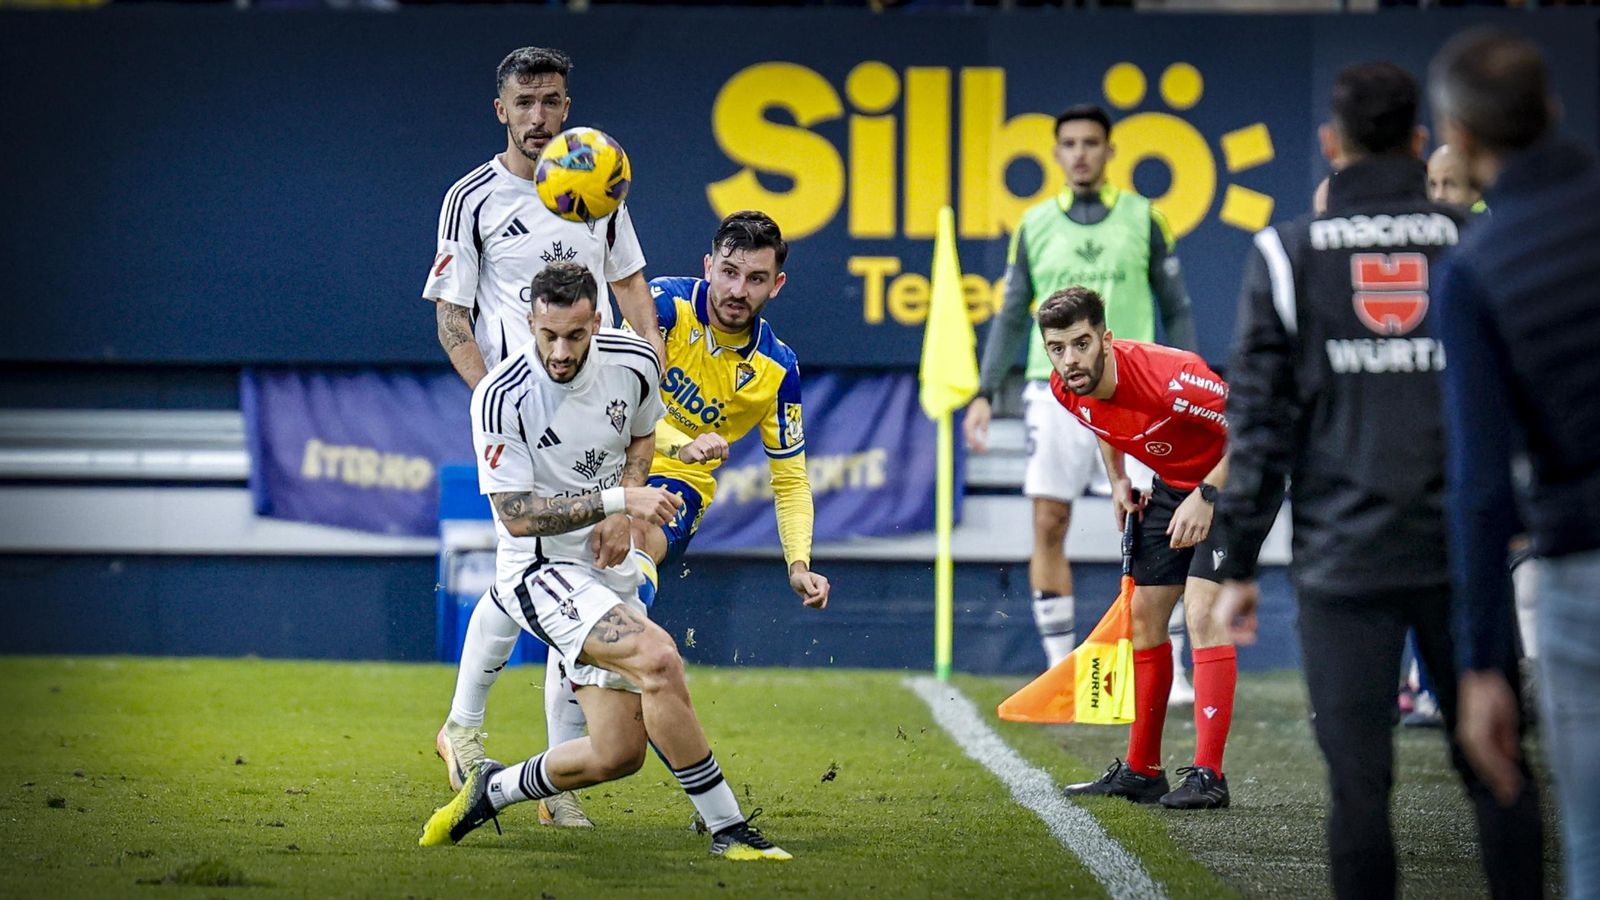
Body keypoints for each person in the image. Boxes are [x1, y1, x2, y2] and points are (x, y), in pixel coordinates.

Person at [1211, 61, 1542, 899]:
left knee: (1359, 792)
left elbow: (1261, 423)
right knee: (1498, 769)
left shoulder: (1285, 255)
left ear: (1330, 144)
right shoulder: (1476, 239)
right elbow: (1533, 392)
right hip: (1463, 556)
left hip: (1343, 565)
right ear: (1421, 141)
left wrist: (1238, 561)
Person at [441, 211, 833, 829]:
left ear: (776, 286)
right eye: (728, 272)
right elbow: (622, 397)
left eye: (756, 279)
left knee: (606, 582)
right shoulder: (664, 308)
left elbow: (790, 476)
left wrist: (799, 562)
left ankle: (556, 779)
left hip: (673, 491)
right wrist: (679, 445)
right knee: (532, 568)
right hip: (601, 460)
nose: (737, 290)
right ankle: (476, 734)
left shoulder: (778, 368)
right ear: (709, 267)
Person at [427, 45, 664, 827]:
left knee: (568, 585)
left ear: (568, 105)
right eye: (524, 102)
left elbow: (630, 287)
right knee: (535, 571)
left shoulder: (601, 181)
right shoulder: (472, 198)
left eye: (551, 101)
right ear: (501, 109)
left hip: (596, 412)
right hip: (524, 421)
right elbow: (452, 314)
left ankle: (510, 757)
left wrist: (644, 387)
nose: (538, 117)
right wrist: (495, 406)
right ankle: (498, 752)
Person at [1432, 28, 1600, 899]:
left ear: (1459, 136)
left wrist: (1484, 665)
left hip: (1582, 574)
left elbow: (1481, 490)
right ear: (1555, 110)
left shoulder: (1478, 270)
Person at [964, 103, 1199, 702]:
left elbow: (1177, 309)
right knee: (1048, 521)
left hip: (1140, 396)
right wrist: (986, 392)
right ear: (1057, 152)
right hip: (1055, 395)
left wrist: (1184, 385)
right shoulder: (1034, 223)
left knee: (1158, 525)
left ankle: (1164, 662)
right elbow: (1013, 312)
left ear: (1110, 150)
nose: (1081, 153)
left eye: (1091, 142)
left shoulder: (1146, 218)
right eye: (1069, 143)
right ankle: (1057, 663)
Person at [1041, 286, 1236, 811]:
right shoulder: (1067, 389)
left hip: (1237, 484)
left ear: (1106, 338)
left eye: (1081, 344)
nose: (1069, 360)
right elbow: (1101, 419)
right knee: (1146, 618)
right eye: (1056, 348)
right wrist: (1119, 481)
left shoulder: (1172, 377)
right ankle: (1144, 772)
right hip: (1173, 486)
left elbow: (1254, 428)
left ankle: (1210, 776)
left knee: (1201, 610)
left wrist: (1207, 496)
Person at [1427, 143, 1488, 212]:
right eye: (1433, 185)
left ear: (1475, 191)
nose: (1438, 195)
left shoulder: (1488, 217)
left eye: (1449, 184)